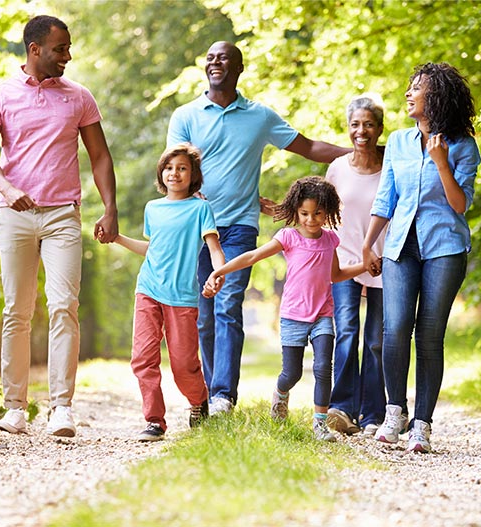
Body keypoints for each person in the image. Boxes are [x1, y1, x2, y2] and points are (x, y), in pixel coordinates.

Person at [167, 41, 350, 416]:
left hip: (238, 227)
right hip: (196, 230)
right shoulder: (185, 116)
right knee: (203, 313)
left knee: (228, 302)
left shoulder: (259, 116)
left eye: (224, 58)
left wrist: (359, 153)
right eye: (210, 58)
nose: (216, 63)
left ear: (239, 67)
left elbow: (309, 147)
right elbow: (175, 169)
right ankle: (204, 395)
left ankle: (223, 396)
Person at [0, 15, 119, 437]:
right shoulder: (0, 95)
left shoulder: (79, 97)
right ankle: (15, 408)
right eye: (60, 49)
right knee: (17, 311)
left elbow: (100, 157)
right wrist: (6, 187)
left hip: (62, 216)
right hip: (15, 214)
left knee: (63, 307)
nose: (68, 57)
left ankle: (61, 408)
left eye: (68, 48)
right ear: (34, 49)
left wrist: (109, 208)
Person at [362, 63, 480, 453]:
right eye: (409, 88)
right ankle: (395, 411)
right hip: (399, 247)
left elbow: (460, 205)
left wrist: (442, 162)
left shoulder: (463, 145)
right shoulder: (396, 142)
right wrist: (368, 243)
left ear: (438, 97)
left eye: (417, 88)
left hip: (444, 247)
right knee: (393, 328)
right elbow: (386, 198)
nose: (408, 94)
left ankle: (422, 425)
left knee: (429, 336)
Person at [204, 176, 365, 441]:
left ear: (328, 212)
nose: (310, 219)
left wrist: (364, 266)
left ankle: (320, 425)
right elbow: (253, 255)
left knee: (324, 366)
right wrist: (221, 269)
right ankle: (280, 394)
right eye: (304, 213)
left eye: (317, 213)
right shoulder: (288, 237)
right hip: (293, 316)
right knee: (292, 373)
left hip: (323, 314)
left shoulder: (330, 240)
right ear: (295, 211)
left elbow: (335, 274)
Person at [112, 143, 225, 442]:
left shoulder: (200, 208)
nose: (174, 173)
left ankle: (198, 401)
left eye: (182, 168)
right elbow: (153, 248)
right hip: (148, 289)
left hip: (182, 297)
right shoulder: (153, 208)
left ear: (193, 175)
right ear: (161, 172)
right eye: (169, 167)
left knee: (183, 364)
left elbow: (214, 248)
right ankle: (154, 421)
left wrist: (218, 274)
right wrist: (118, 238)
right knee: (143, 358)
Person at [324, 94, 388, 437]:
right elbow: (324, 215)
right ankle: (343, 408)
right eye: (354, 124)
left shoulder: (390, 164)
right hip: (345, 260)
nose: (360, 131)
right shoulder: (337, 168)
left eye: (368, 124)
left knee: (377, 339)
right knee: (346, 331)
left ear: (379, 129)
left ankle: (373, 413)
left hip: (382, 260)